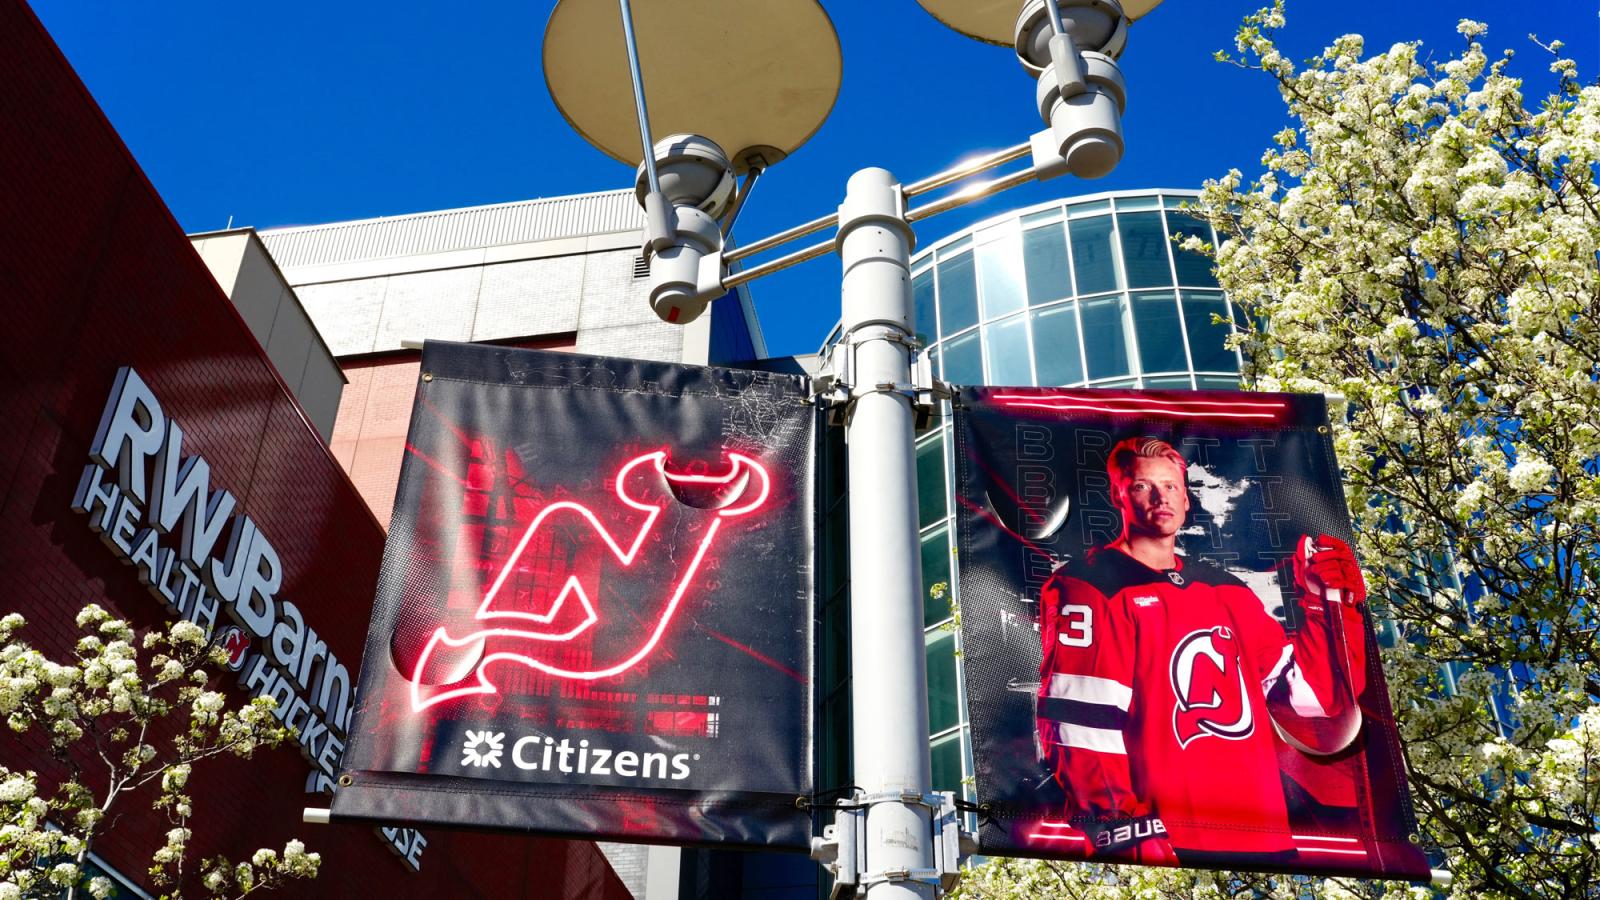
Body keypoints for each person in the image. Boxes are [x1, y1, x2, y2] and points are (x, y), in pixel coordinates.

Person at [1035, 436, 1369, 866]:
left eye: (1171, 486)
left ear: (1187, 499)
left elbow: (1313, 701)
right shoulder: (1090, 586)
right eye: (1142, 486)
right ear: (1118, 495)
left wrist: (1330, 606)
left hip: (1264, 838)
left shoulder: (1227, 589)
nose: (1160, 497)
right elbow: (1080, 722)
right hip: (1165, 842)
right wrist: (1119, 830)